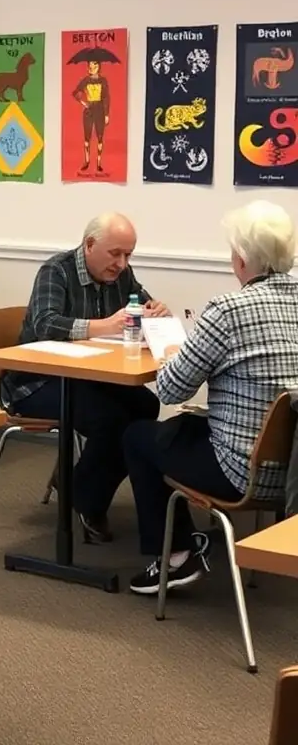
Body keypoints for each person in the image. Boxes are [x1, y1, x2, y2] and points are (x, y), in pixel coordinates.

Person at [124, 200, 298, 596]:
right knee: (183, 428)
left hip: (241, 473)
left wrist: (172, 357)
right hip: (294, 470)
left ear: (241, 258)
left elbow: (170, 389)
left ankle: (176, 557)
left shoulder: (229, 309)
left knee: (138, 435)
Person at [2, 212, 169, 543]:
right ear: (89, 245)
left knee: (145, 406)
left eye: (128, 255)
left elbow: (141, 306)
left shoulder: (122, 275)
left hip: (89, 376)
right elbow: (44, 325)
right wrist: (106, 325)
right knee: (110, 420)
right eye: (115, 254)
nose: (122, 263)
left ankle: (80, 486)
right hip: (36, 381)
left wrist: (156, 313)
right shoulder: (56, 271)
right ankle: (88, 501)